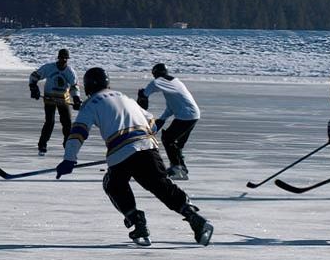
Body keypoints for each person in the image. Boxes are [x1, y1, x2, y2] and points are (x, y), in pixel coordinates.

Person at [56, 67, 214, 247]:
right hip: (147, 146)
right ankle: (193, 216)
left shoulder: (91, 103)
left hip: (121, 153)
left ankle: (138, 223)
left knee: (113, 184)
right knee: (161, 185)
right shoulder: (125, 97)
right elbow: (151, 123)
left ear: (88, 86)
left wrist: (69, 158)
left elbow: (78, 132)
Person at [137, 63, 200, 180]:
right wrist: (161, 120)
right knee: (177, 144)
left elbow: (148, 90)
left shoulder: (159, 81)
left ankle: (177, 168)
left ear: (155, 74)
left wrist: (143, 95)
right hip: (193, 115)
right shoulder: (175, 82)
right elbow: (171, 107)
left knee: (168, 139)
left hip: (185, 116)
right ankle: (182, 169)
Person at [29, 48, 82, 156]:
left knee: (67, 124)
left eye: (65, 59)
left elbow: (74, 86)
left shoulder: (70, 72)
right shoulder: (49, 68)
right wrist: (33, 87)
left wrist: (76, 98)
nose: (63, 60)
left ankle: (68, 147)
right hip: (50, 99)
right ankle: (42, 145)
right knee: (50, 122)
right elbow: (34, 76)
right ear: (58, 58)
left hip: (64, 100)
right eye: (61, 58)